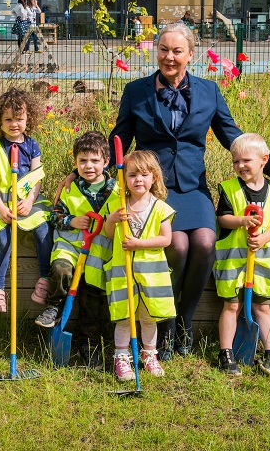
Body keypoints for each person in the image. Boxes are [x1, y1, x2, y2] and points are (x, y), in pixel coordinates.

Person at [108, 22, 270, 360]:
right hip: (155, 190)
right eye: (163, 49)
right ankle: (163, 325)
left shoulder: (209, 91)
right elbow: (119, 142)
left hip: (194, 187)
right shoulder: (136, 91)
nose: (169, 56)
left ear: (190, 55)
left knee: (205, 242)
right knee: (177, 244)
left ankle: (186, 321)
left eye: (177, 51)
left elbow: (231, 136)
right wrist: (87, 177)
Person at [35, 131, 118, 369]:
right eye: (82, 161)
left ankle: (88, 345)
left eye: (94, 160)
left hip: (97, 254)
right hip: (69, 246)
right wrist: (71, 221)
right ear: (75, 163)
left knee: (91, 303)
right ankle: (54, 307)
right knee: (60, 271)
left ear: (105, 161)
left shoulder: (116, 190)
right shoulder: (69, 188)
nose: (88, 166)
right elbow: (54, 216)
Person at [213, 133, 270, 376]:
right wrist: (242, 220)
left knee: (262, 308)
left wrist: (264, 238)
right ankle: (226, 351)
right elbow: (222, 217)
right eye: (235, 162)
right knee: (231, 306)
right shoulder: (229, 189)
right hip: (234, 260)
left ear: (264, 160)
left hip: (263, 261)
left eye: (246, 161)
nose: (240, 166)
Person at [103, 150, 175, 381]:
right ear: (124, 178)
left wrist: (139, 244)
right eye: (132, 175)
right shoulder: (116, 204)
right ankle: (122, 357)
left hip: (151, 276)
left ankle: (149, 354)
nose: (138, 180)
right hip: (123, 273)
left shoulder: (160, 208)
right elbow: (107, 234)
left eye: (144, 174)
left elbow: (166, 239)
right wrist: (112, 220)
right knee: (124, 317)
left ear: (154, 177)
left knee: (148, 317)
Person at [0, 87, 52, 312]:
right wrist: (1, 208)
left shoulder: (32, 145)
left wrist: (31, 200)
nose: (14, 124)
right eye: (8, 119)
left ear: (27, 118)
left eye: (19, 119)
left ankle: (44, 280)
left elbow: (37, 176)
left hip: (27, 201)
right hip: (0, 203)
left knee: (43, 230)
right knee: (5, 239)